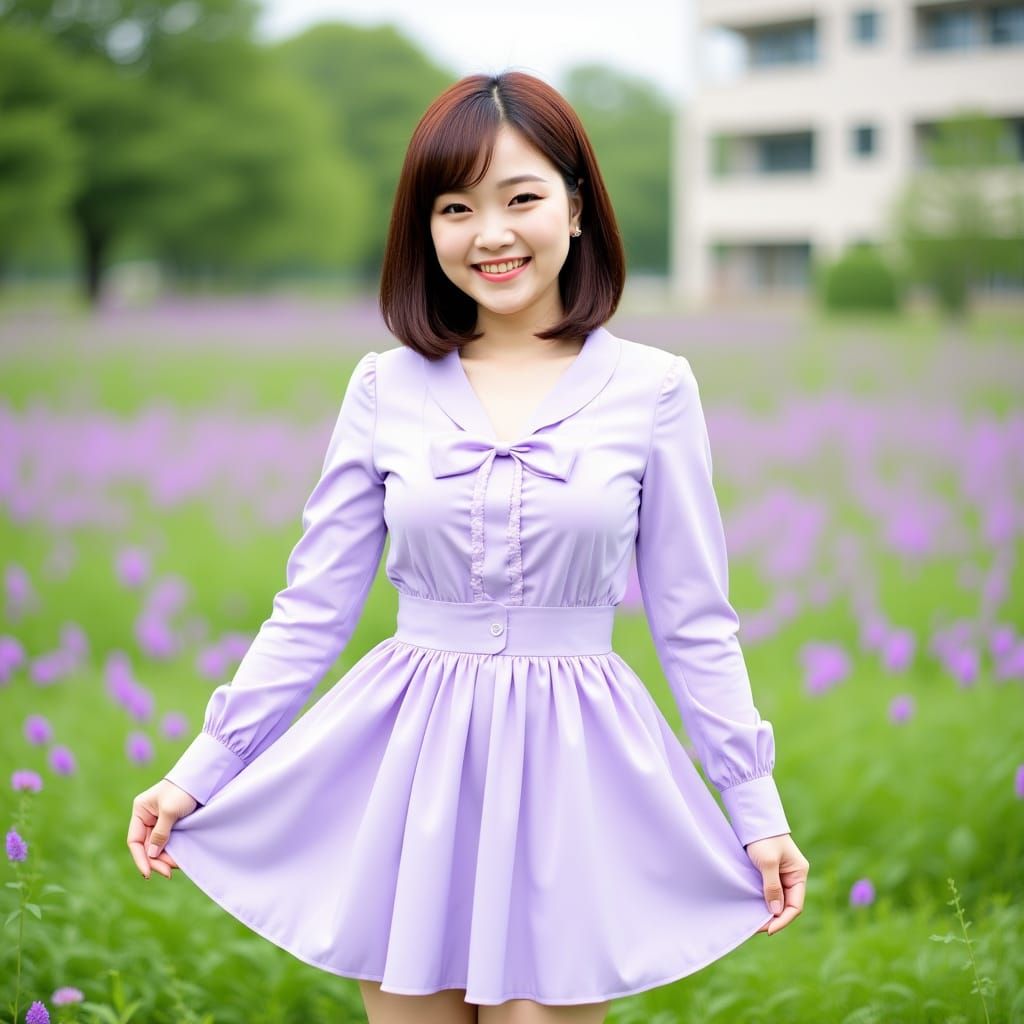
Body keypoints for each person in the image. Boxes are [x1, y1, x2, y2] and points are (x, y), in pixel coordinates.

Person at [126, 70, 810, 1024]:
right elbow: (314, 606)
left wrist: (755, 806)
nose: (490, 234)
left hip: (577, 769)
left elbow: (695, 620)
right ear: (427, 230)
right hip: (412, 768)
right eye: (455, 207)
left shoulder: (654, 388)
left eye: (520, 198)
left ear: (576, 210)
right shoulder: (384, 386)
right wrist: (200, 769)